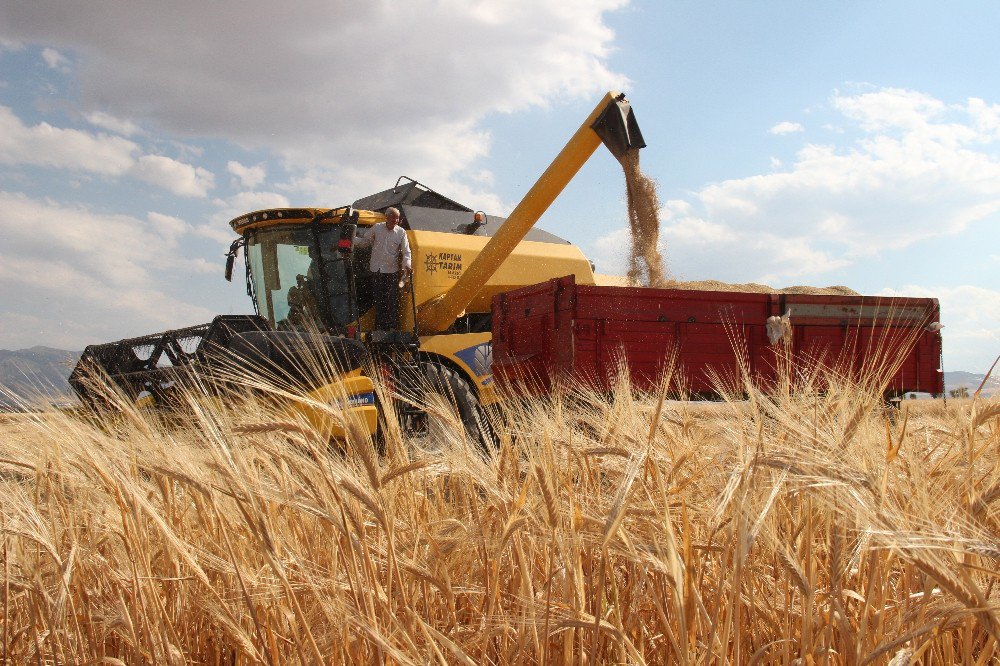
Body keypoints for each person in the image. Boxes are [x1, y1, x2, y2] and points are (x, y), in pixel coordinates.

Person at [354, 206, 412, 330]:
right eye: (394, 217)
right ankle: (379, 328)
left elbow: (406, 252)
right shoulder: (377, 228)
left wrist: (407, 265)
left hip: (391, 271)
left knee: (391, 300)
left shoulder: (401, 232)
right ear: (387, 217)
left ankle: (391, 329)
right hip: (376, 270)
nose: (396, 220)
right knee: (379, 300)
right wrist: (351, 240)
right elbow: (365, 242)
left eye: (398, 218)